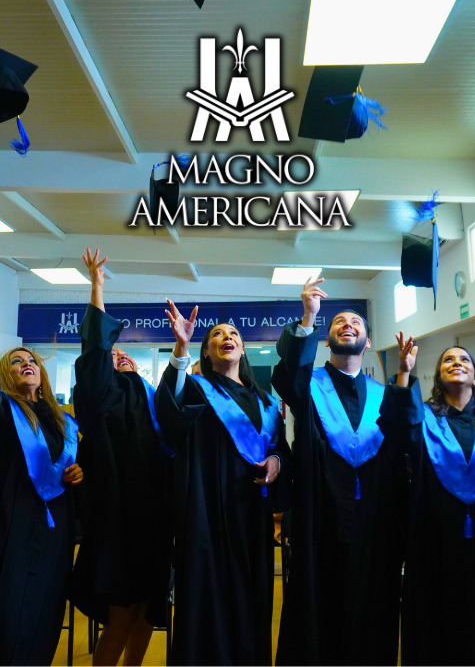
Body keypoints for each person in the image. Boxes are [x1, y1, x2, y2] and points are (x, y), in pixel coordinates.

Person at [274, 279, 407, 667]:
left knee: (373, 599)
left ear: (367, 342)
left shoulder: (384, 395)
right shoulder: (309, 386)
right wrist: (309, 316)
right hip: (321, 513)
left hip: (374, 518)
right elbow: (287, 376)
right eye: (338, 322)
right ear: (326, 339)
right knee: (321, 600)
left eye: (356, 322)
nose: (347, 325)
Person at [156, 300, 292, 666]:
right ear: (207, 351)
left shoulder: (267, 402)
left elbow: (280, 448)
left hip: (253, 513)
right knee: (209, 598)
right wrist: (181, 347)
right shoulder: (196, 389)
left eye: (233, 334)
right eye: (216, 335)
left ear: (243, 349)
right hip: (207, 512)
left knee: (253, 596)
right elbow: (168, 410)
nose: (226, 337)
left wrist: (277, 461)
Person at [70, 249, 173, 667]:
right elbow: (96, 350)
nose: (121, 356)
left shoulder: (152, 399)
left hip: (155, 518)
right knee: (122, 614)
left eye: (126, 355)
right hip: (117, 519)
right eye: (114, 357)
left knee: (149, 609)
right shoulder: (101, 398)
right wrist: (97, 288)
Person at [379, 334, 475, 666]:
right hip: (435, 533)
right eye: (448, 360)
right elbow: (395, 428)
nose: (456, 363)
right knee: (438, 612)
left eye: (464, 359)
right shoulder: (424, 419)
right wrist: (404, 371)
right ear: (438, 376)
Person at [0, 346, 82, 666]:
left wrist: (78, 472)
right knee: (11, 608)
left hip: (55, 524)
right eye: (16, 362)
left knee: (46, 607)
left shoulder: (63, 421)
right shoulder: (4, 409)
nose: (27, 364)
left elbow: (67, 465)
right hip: (13, 518)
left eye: (32, 360)